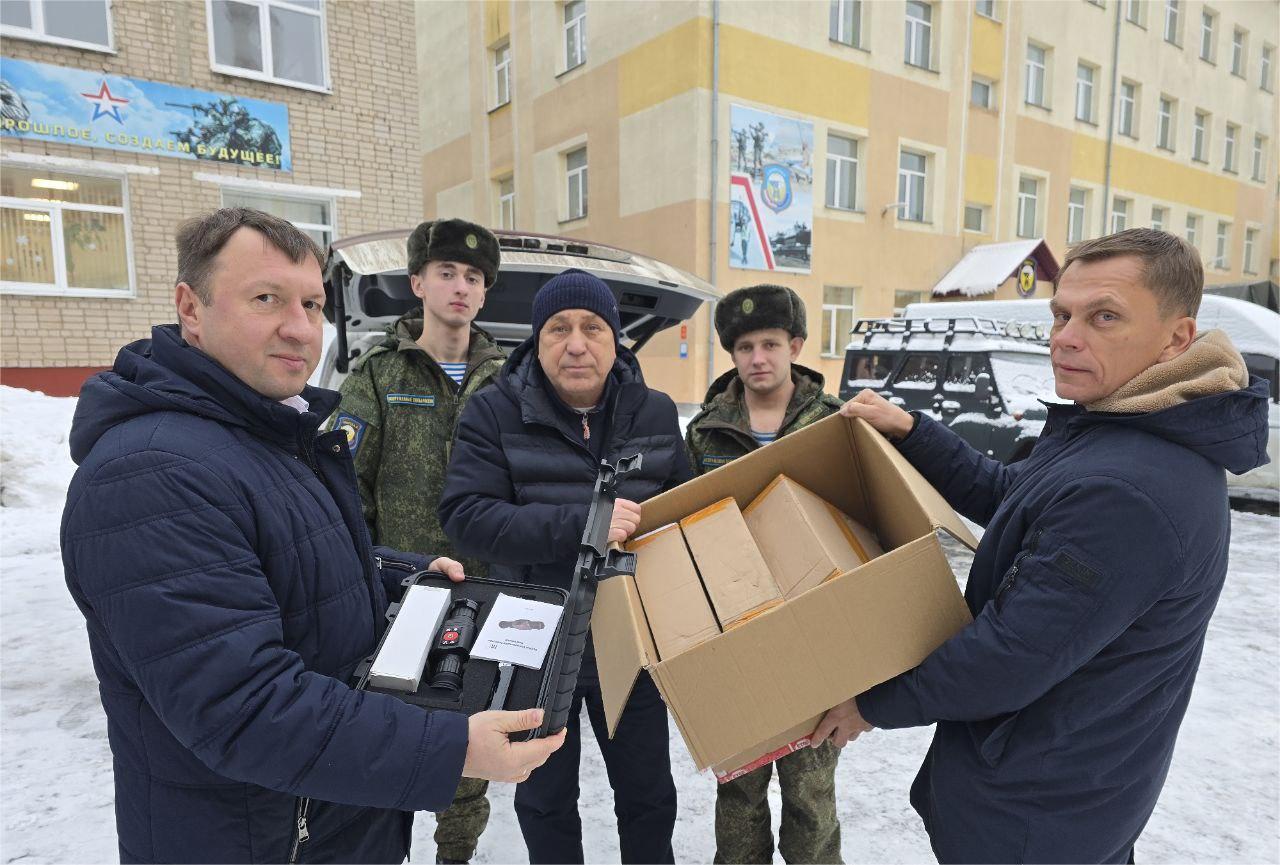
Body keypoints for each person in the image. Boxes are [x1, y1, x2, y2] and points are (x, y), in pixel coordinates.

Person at [61, 208, 563, 864]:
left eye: (312, 303)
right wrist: (450, 747)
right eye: (266, 298)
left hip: (325, 819)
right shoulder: (151, 474)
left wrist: (396, 576)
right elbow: (244, 706)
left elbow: (282, 560)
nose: (300, 329)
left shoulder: (264, 432)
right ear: (191, 307)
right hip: (256, 838)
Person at [813, 229, 1271, 863]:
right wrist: (914, 431)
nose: (1066, 337)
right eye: (1062, 314)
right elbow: (1016, 501)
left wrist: (868, 703)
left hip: (1036, 818)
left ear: (1177, 337)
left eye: (1103, 317)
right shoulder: (1121, 426)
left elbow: (1009, 655)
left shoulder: (1129, 490)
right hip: (1060, 799)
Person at [439, 268, 692, 864]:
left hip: (629, 640)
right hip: (533, 639)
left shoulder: (654, 413)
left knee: (649, 794)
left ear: (614, 339)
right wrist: (581, 524)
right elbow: (465, 514)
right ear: (537, 339)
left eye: (592, 327)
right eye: (558, 328)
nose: (576, 343)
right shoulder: (493, 411)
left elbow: (684, 512)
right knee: (544, 796)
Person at [331, 218, 506, 864]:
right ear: (417, 283)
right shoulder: (378, 373)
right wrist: (368, 572)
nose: (460, 287)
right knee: (391, 741)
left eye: (473, 277)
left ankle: (455, 856)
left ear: (484, 293)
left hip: (485, 595)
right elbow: (343, 487)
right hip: (402, 596)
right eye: (446, 273)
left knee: (470, 747)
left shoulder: (510, 380)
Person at [684, 284, 844, 864]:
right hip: (735, 628)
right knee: (740, 791)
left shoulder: (832, 421)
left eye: (771, 343)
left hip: (816, 631)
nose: (758, 358)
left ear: (795, 345)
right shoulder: (705, 431)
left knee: (811, 792)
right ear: (731, 353)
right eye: (745, 346)